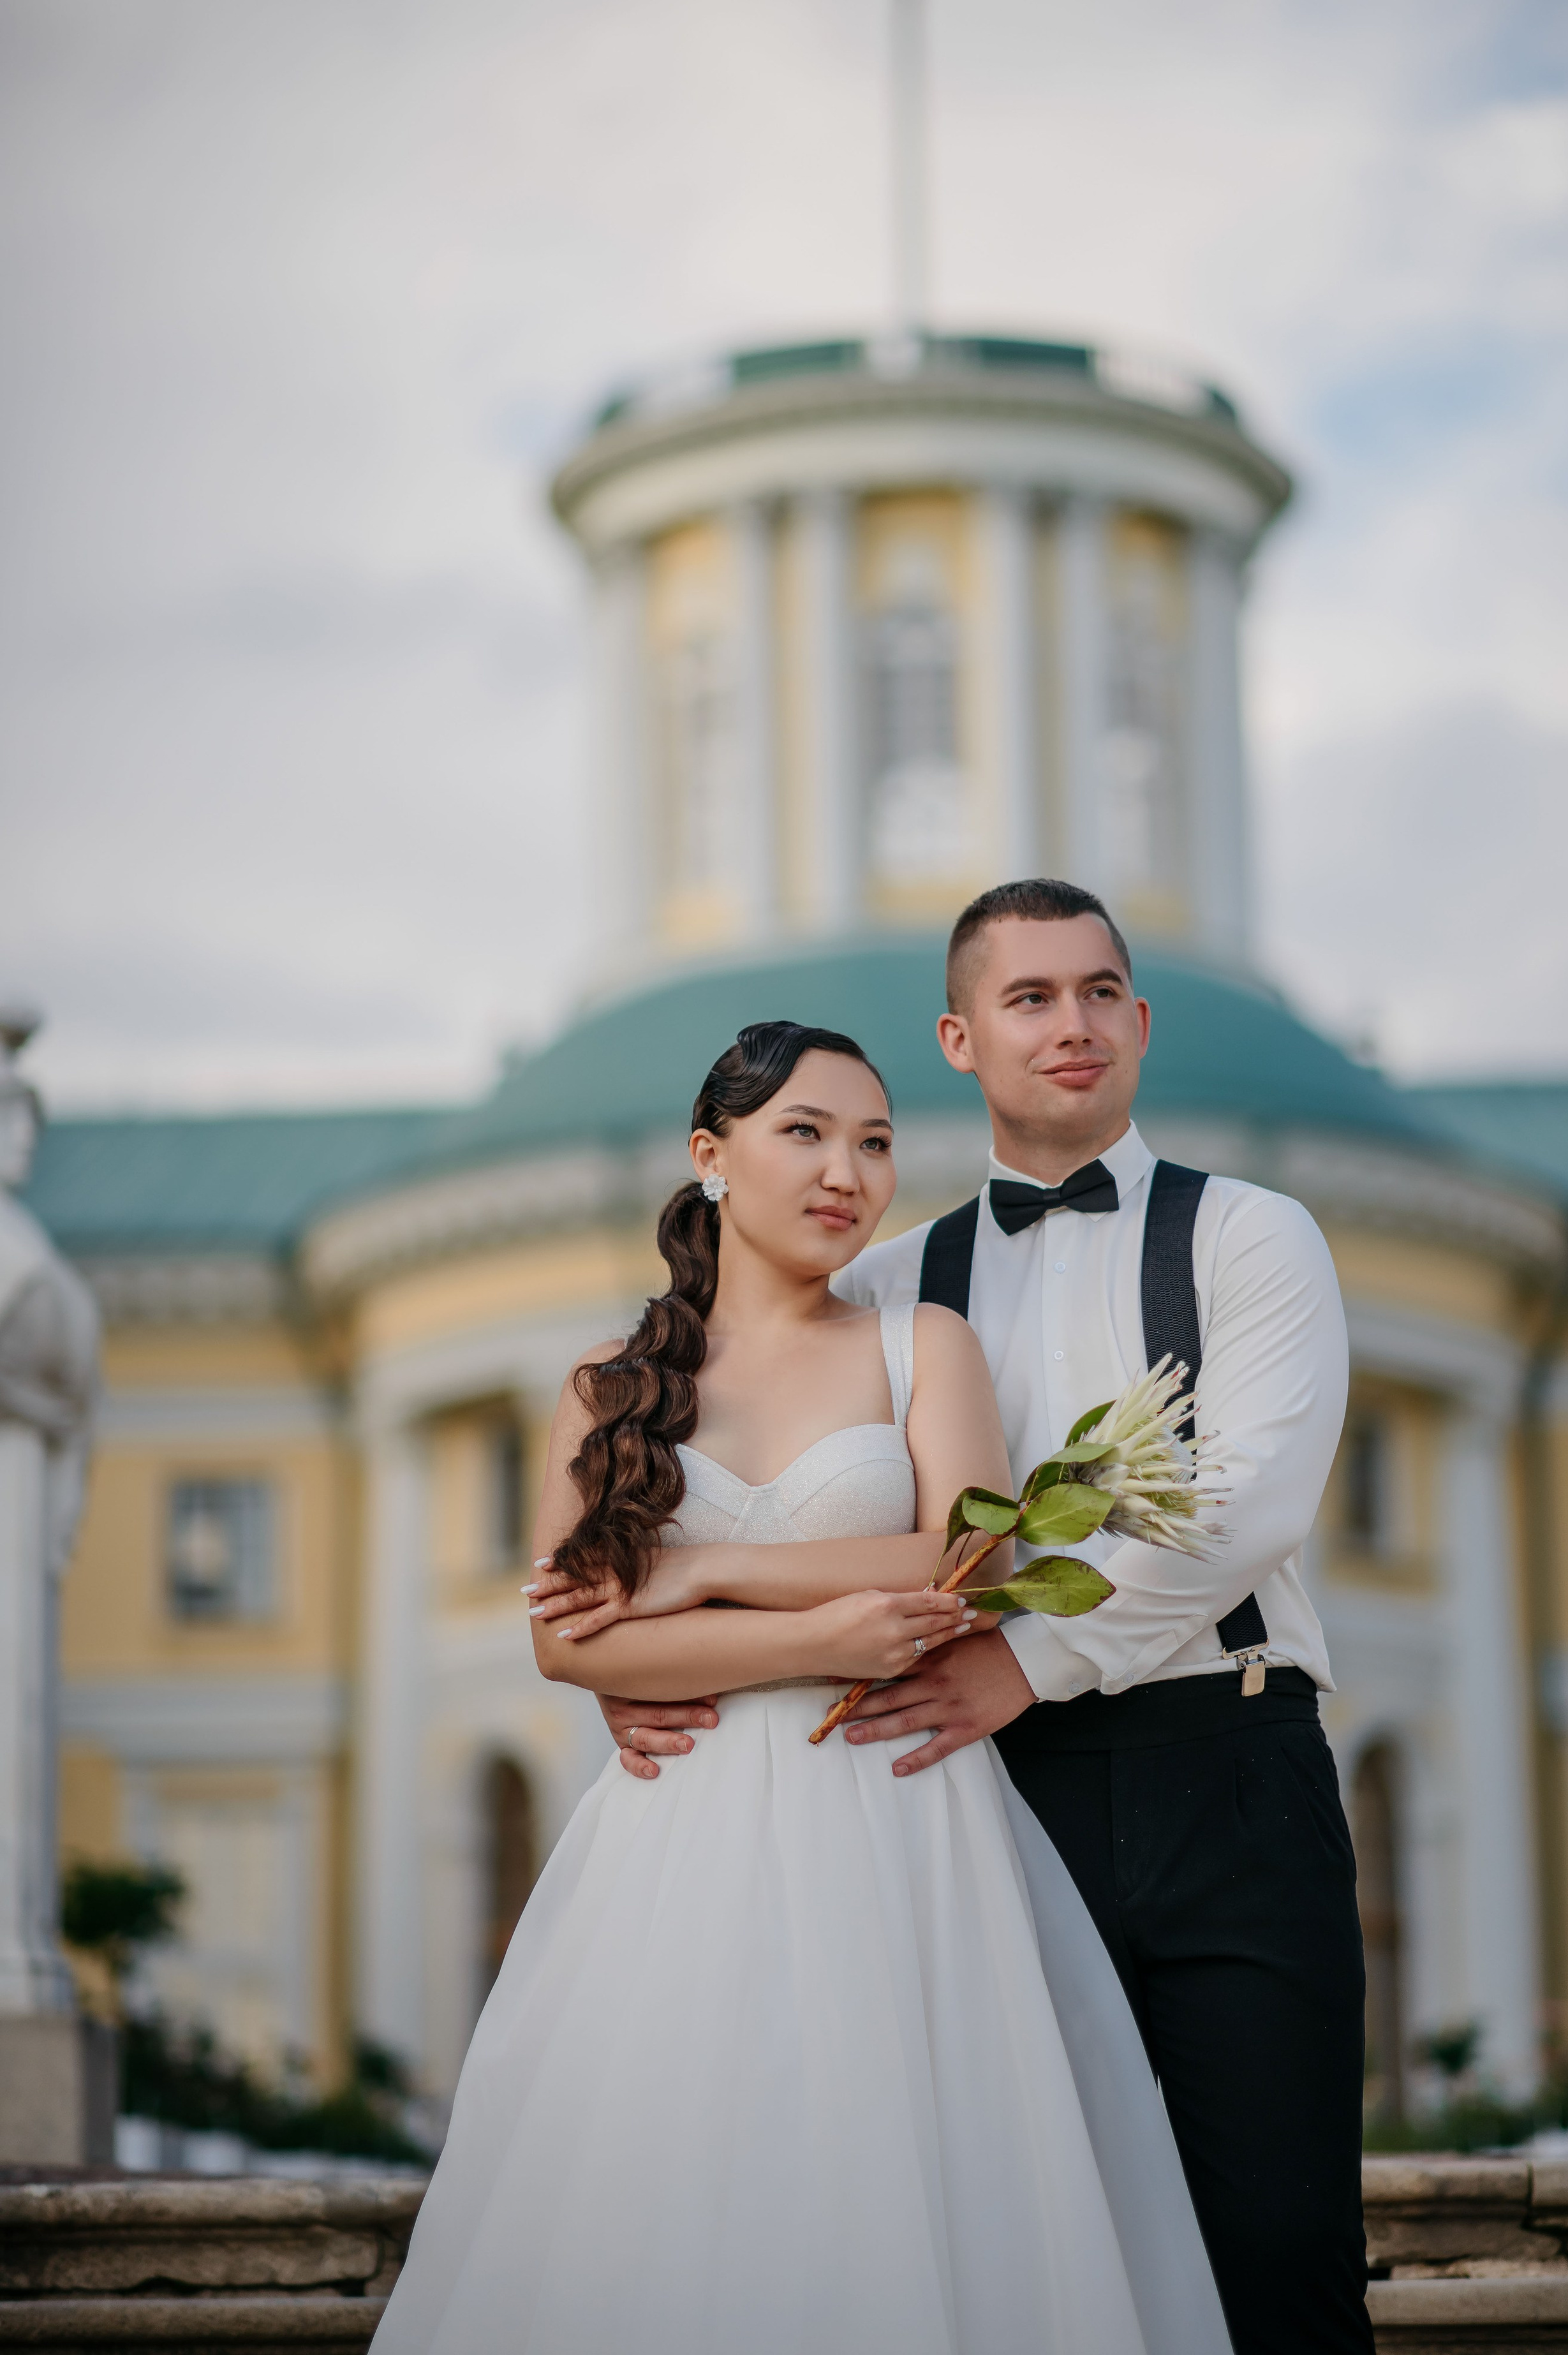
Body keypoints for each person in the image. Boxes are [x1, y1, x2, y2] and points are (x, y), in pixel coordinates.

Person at [588, 883, 1373, 2355]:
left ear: (1138, 1023)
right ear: (959, 1036)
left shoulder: (1253, 1239)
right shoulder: (886, 1289)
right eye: (1027, 997)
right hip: (979, 1800)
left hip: (1230, 1770)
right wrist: (647, 1676)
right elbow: (751, 1508)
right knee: (1031, 2248)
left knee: (1279, 2244)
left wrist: (1021, 1659)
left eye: (1096, 992)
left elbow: (1245, 1506)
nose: (1067, 1024)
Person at [374, 1018, 1231, 2355]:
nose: (847, 1171)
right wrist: (816, 1626)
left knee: (918, 2182)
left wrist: (696, 1577)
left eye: (875, 1142)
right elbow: (571, 1642)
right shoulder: (606, 1392)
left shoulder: (919, 1345)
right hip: (680, 1836)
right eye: (806, 1133)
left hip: (899, 1818)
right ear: (711, 1157)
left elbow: (966, 1554)